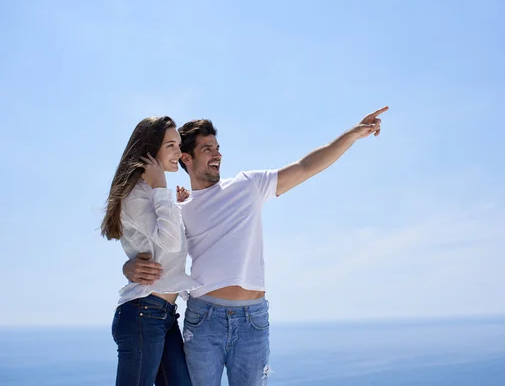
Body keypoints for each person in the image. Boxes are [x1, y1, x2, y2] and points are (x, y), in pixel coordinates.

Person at [124, 107, 388, 386]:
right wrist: (128, 265)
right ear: (186, 158)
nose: (217, 154)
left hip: (253, 320)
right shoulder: (179, 210)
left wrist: (353, 134)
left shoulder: (248, 185)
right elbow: (159, 253)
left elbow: (306, 167)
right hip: (203, 321)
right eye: (207, 149)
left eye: (218, 148)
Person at [101, 116, 200, 386]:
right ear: (150, 149)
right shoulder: (137, 193)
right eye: (170, 145)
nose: (178, 153)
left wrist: (175, 206)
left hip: (162, 315)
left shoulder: (151, 194)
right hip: (144, 311)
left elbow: (164, 249)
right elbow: (169, 244)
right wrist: (161, 189)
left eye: (179, 145)